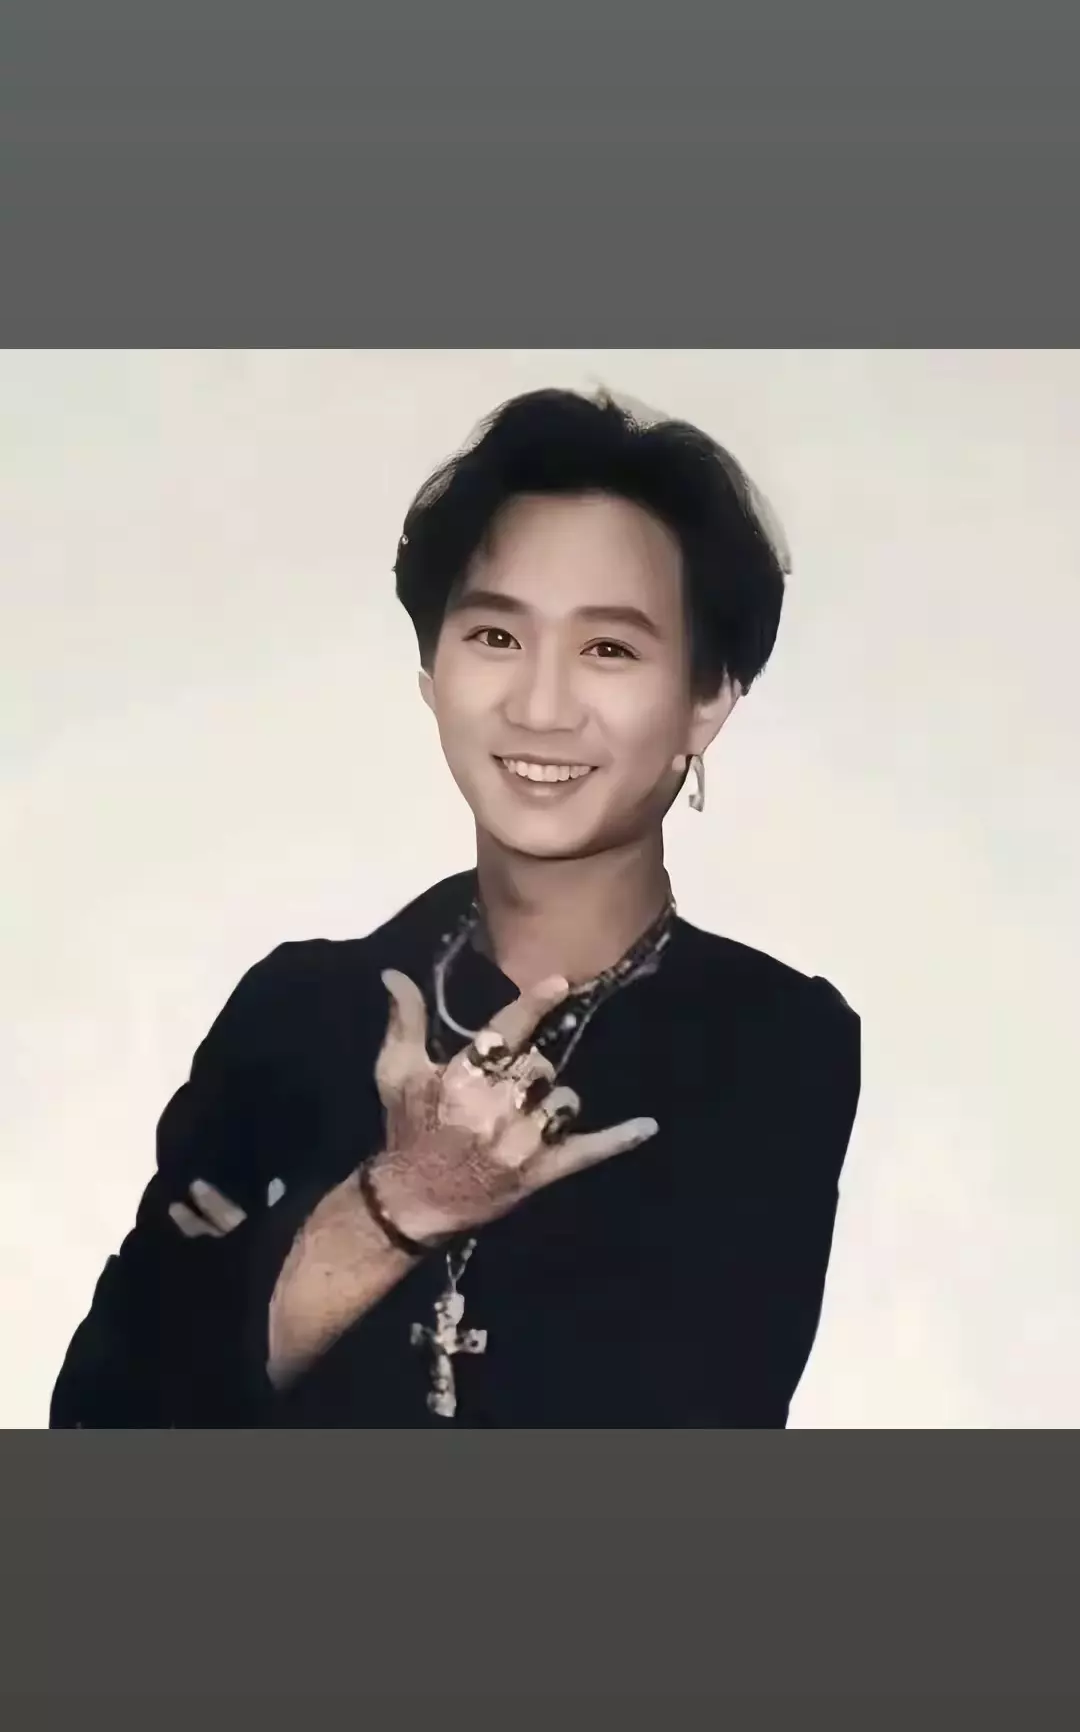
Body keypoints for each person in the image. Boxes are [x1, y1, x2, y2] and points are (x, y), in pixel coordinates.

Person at [49, 387, 860, 1430]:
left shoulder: (770, 1038)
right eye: (494, 635)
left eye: (609, 649)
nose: (540, 705)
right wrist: (395, 1203)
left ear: (708, 699)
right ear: (432, 670)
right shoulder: (296, 1011)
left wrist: (267, 1280)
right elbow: (104, 1418)